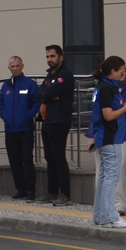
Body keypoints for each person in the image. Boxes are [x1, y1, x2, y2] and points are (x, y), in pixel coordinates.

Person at [90, 56, 126, 229]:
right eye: (121, 71)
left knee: (103, 177)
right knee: (110, 178)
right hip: (111, 137)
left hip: (104, 137)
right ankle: (111, 216)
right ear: (113, 71)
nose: (122, 75)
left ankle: (100, 215)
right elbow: (108, 115)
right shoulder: (108, 89)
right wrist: (125, 109)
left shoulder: (100, 87)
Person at [36, 45, 75, 206]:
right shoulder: (49, 76)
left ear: (61, 57)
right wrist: (48, 95)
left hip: (59, 120)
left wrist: (48, 94)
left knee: (59, 158)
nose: (49, 59)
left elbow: (48, 92)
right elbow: (39, 93)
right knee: (49, 157)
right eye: (47, 56)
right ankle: (52, 191)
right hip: (47, 120)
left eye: (52, 56)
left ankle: (65, 193)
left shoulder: (64, 75)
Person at [0, 56, 37, 202]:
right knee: (14, 160)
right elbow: (1, 103)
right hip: (10, 128)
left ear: (22, 66)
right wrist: (4, 115)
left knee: (27, 159)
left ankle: (30, 190)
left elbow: (36, 102)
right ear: (9, 68)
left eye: (17, 66)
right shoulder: (6, 86)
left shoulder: (30, 84)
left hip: (25, 128)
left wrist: (28, 115)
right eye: (12, 66)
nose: (15, 68)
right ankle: (20, 189)